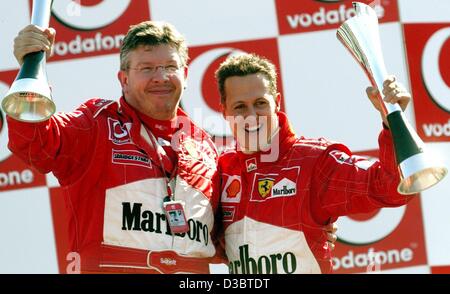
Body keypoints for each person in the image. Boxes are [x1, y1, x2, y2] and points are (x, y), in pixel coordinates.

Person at [8, 21, 224, 274]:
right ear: (124, 80)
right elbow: (34, 143)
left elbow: (232, 237)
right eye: (147, 68)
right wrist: (30, 71)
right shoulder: (96, 124)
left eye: (170, 66)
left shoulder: (205, 146)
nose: (161, 77)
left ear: (185, 75)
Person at [215, 53, 412, 274]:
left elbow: (392, 188)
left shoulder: (314, 160)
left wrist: (392, 121)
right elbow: (206, 243)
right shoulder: (222, 168)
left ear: (277, 102)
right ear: (224, 110)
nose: (252, 116)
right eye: (240, 107)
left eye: (260, 103)